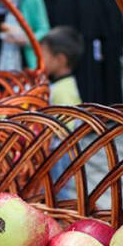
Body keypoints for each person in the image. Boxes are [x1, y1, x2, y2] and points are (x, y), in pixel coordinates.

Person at [54, 0, 123, 105]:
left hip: (98, 46)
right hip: (77, 48)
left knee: (100, 82)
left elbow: (110, 20)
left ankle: (101, 113)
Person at [39, 26, 84, 200]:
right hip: (58, 148)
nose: (40, 61)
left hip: (60, 149)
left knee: (57, 187)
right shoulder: (61, 85)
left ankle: (60, 215)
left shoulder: (62, 90)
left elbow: (68, 122)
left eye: (44, 56)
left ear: (60, 59)